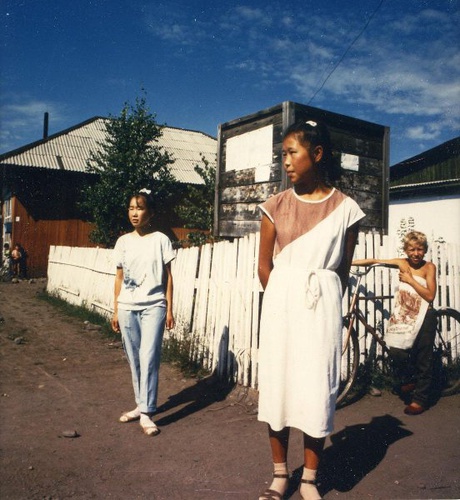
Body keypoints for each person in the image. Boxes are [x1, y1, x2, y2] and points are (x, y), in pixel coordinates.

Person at [257, 120, 365, 500]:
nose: (285, 161)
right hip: (282, 311)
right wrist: (283, 301)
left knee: (316, 389)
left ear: (316, 154)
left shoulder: (346, 209)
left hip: (320, 311)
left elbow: (343, 268)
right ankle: (280, 475)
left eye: (292, 153)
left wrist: (319, 302)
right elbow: (264, 266)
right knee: (280, 389)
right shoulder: (274, 206)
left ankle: (309, 480)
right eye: (282, 154)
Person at [111, 189, 176, 436]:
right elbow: (118, 278)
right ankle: (141, 405)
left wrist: (169, 308)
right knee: (134, 358)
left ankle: (147, 413)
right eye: (131, 208)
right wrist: (116, 310)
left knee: (149, 357)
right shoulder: (123, 242)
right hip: (127, 307)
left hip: (154, 306)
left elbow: (169, 278)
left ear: (151, 212)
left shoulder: (161, 239)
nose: (134, 213)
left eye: (139, 208)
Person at [352, 230, 437, 416]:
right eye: (412, 249)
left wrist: (410, 280)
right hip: (405, 315)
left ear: (425, 250)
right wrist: (347, 263)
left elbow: (430, 295)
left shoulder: (429, 267)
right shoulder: (401, 263)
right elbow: (374, 260)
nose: (416, 253)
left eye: (419, 249)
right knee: (396, 350)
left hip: (425, 315)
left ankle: (419, 400)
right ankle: (410, 379)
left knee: (424, 357)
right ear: (406, 250)